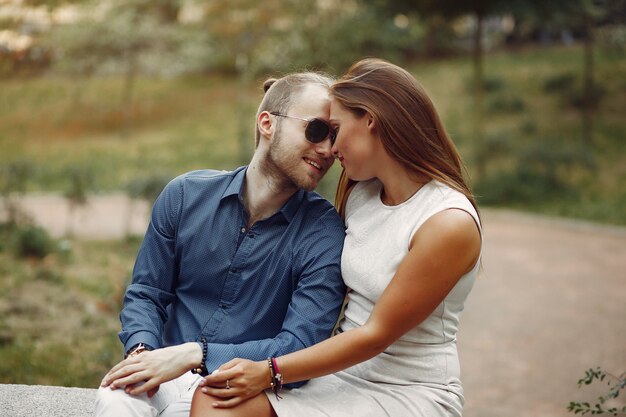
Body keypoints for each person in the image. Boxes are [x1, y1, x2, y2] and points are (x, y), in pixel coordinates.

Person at [190, 58, 483, 417]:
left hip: (408, 390)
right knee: (215, 398)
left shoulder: (446, 222)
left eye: (336, 129)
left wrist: (270, 371)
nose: (329, 148)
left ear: (371, 120)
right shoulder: (362, 194)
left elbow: (376, 334)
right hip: (339, 375)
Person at [94, 71, 348, 417]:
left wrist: (197, 353)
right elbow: (147, 292)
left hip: (237, 389)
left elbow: (300, 345)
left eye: (334, 137)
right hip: (161, 373)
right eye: (316, 130)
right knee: (115, 399)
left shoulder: (325, 234)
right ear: (267, 124)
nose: (327, 150)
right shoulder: (185, 196)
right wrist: (141, 352)